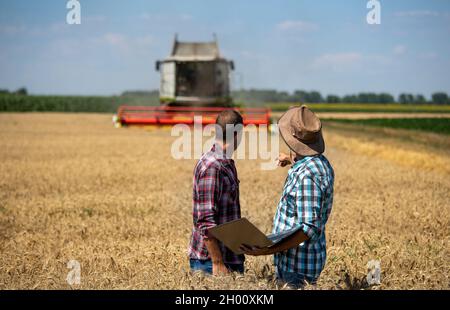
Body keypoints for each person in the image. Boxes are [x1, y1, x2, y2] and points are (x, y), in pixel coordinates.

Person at [241, 105, 335, 288]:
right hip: (296, 261)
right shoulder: (318, 163)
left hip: (298, 266)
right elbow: (310, 164)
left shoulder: (308, 175)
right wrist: (291, 159)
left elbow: (308, 228)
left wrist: (267, 250)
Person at [188, 109, 245, 275]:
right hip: (211, 262)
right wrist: (218, 262)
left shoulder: (225, 162)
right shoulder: (213, 167)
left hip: (229, 256)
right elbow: (205, 220)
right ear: (237, 134)